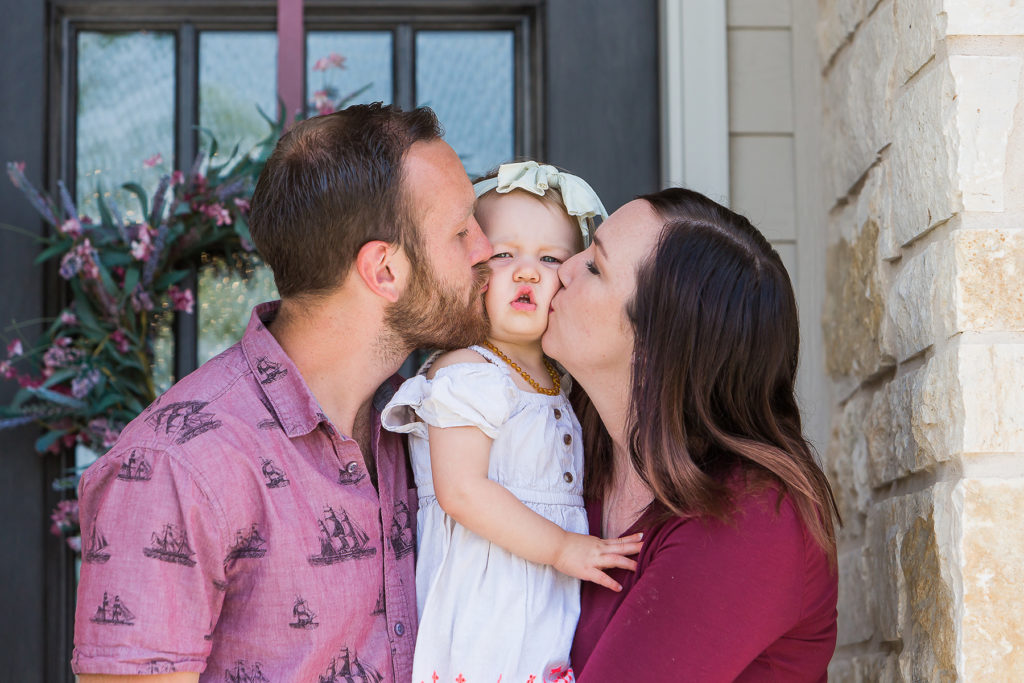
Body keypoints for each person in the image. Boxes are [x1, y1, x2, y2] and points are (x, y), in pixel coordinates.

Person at [72, 103, 493, 682]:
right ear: (384, 271)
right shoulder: (174, 466)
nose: (487, 249)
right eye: (461, 230)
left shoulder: (428, 427)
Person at [543, 188, 840, 681]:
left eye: (595, 267)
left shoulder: (751, 518)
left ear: (657, 346)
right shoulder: (567, 447)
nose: (564, 269)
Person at [381, 161, 643, 683]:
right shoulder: (468, 372)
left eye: (551, 259)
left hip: (538, 611)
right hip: (485, 610)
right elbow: (461, 491)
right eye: (505, 255)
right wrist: (563, 547)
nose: (528, 272)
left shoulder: (558, 383)